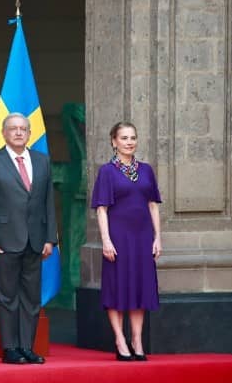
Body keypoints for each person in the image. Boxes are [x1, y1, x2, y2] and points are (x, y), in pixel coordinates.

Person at [0, 112, 57, 365]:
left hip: (35, 240)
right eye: (13, 128)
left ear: (30, 133)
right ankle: (10, 348)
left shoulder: (42, 161)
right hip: (4, 240)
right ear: (4, 133)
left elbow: (48, 203)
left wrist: (50, 238)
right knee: (7, 296)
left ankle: (27, 347)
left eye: (23, 128)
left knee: (31, 298)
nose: (19, 132)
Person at [91, 121, 162, 361]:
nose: (129, 142)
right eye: (124, 138)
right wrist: (106, 240)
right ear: (114, 141)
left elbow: (152, 205)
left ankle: (137, 340)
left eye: (133, 137)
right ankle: (120, 339)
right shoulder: (107, 172)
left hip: (143, 237)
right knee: (117, 287)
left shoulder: (146, 170)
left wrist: (157, 238)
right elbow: (101, 209)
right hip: (118, 237)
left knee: (140, 287)